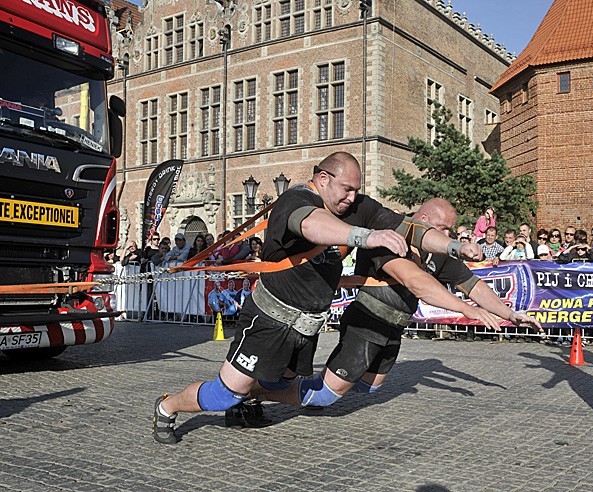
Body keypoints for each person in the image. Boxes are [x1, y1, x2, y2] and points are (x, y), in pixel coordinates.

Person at [151, 152, 483, 444]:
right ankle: (168, 406)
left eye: (356, 190)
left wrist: (454, 246)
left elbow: (412, 230)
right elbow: (312, 226)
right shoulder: (294, 200)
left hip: (306, 324)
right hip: (269, 318)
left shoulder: (358, 206)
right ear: (323, 179)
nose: (353, 198)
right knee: (226, 392)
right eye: (347, 189)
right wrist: (365, 236)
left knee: (279, 380)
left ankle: (246, 405)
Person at [247, 199, 541, 417]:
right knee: (326, 395)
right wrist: (468, 310)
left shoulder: (437, 254)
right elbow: (415, 282)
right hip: (366, 322)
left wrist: (510, 314)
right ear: (423, 219)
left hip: (393, 327)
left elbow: (474, 285)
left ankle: (299, 383)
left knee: (369, 387)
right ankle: (250, 392)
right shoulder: (391, 240)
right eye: (443, 228)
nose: (448, 236)